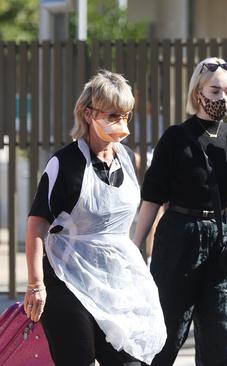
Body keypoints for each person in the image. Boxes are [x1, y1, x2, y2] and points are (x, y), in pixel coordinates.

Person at [24, 70, 166, 365]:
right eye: (113, 115)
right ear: (89, 114)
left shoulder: (128, 159)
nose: (121, 124)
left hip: (115, 275)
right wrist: (36, 284)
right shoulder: (63, 164)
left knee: (129, 359)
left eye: (126, 116)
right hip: (67, 276)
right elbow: (37, 224)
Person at [133, 57, 227, 365]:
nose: (224, 97)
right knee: (167, 332)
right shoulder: (176, 137)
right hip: (180, 235)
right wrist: (135, 246)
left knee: (218, 336)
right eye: (215, 90)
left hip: (218, 239)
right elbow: (152, 197)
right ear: (197, 93)